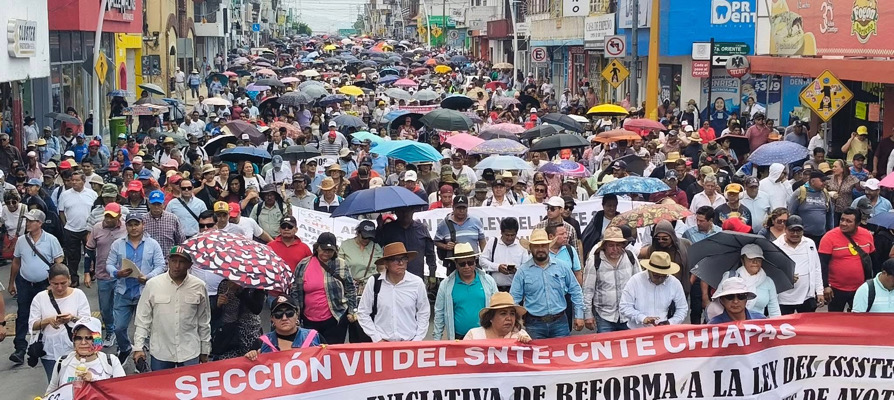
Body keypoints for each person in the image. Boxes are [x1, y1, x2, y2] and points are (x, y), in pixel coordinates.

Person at [133, 245, 210, 370]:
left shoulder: (199, 286)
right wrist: (138, 347)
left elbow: (204, 321)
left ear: (189, 265)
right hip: (161, 352)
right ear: (168, 261)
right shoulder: (153, 284)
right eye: (173, 261)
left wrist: (205, 349)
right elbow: (143, 318)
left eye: (181, 262)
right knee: (160, 388)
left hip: (190, 352)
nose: (177, 266)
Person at [106, 213, 166, 364]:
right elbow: (109, 264)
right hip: (123, 291)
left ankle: (142, 355)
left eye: (136, 224)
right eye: (130, 224)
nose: (133, 228)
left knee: (144, 327)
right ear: (126, 226)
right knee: (119, 328)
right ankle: (125, 348)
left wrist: (149, 277)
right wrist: (117, 273)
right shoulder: (117, 244)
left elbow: (160, 265)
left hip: (144, 292)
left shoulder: (153, 244)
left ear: (143, 225)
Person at [8, 209, 64, 365]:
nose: (28, 223)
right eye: (27, 220)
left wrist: (53, 283)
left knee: (46, 314)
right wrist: (11, 282)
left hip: (44, 285)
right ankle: (20, 348)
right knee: (23, 314)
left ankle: (43, 345)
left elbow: (59, 260)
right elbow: (16, 262)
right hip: (25, 283)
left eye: (31, 221)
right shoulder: (21, 241)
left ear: (39, 223)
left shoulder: (51, 240)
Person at [509, 228, 583, 339]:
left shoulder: (562, 266)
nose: (540, 249)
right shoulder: (522, 271)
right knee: (536, 356)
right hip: (534, 324)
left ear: (548, 246)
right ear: (530, 248)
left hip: (560, 322)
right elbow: (514, 299)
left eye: (543, 245)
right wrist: (516, 322)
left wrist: (579, 315)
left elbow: (576, 291)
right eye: (536, 246)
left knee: (562, 355)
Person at [28, 263, 91, 379]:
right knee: (55, 384)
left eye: (63, 283)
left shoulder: (78, 295)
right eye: (55, 284)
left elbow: (87, 321)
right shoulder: (40, 298)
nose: (59, 288)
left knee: (77, 383)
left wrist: (72, 318)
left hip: (74, 349)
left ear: (69, 280)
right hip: (49, 351)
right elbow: (33, 325)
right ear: (49, 281)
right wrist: (47, 321)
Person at [291, 232, 357, 345]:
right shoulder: (303, 265)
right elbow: (296, 291)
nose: (327, 253)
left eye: (330, 250)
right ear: (317, 248)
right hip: (309, 319)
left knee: (333, 353)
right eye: (324, 249)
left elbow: (350, 289)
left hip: (336, 317)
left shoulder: (341, 264)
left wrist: (351, 311)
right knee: (312, 353)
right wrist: (296, 314)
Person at [356, 243, 430, 342]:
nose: (401, 263)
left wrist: (417, 339)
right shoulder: (374, 282)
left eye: (404, 258)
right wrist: (377, 338)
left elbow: (424, 312)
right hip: (382, 344)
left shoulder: (417, 282)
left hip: (409, 343)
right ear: (386, 264)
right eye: (395, 259)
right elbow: (363, 312)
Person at [433, 243, 498, 340]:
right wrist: (436, 340)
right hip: (458, 338)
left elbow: (497, 307)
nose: (467, 266)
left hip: (484, 336)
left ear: (475, 262)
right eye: (462, 264)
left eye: (470, 263)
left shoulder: (488, 281)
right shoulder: (445, 285)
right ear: (456, 265)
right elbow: (439, 314)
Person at [45, 316, 124, 394]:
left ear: (97, 340)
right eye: (78, 338)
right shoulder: (62, 362)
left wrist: (93, 381)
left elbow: (121, 393)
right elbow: (51, 392)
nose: (83, 342)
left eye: (89, 338)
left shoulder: (111, 362)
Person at [85, 204, 127, 348]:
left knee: (120, 306)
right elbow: (89, 251)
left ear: (119, 217)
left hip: (121, 274)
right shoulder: (97, 228)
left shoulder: (126, 228)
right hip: (103, 274)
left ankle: (120, 332)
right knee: (105, 308)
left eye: (112, 217)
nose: (108, 219)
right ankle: (110, 330)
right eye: (107, 216)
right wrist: (86, 273)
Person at [583, 227, 640, 333]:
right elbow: (587, 291)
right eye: (611, 245)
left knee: (630, 348)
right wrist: (588, 315)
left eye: (618, 245)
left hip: (628, 315)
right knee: (605, 347)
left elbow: (640, 286)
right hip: (604, 316)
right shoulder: (594, 261)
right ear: (604, 246)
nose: (615, 249)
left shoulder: (630, 257)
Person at [819, 208, 874, 312]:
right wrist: (825, 286)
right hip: (835, 289)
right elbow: (822, 264)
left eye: (848, 221)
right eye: (842, 219)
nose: (843, 223)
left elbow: (873, 260)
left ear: (857, 223)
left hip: (860, 288)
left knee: (860, 319)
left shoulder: (867, 235)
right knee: (835, 321)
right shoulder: (829, 237)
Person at [619, 252, 689, 329]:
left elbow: (682, 308)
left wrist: (670, 322)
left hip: (662, 331)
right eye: (656, 276)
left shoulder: (674, 283)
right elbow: (624, 306)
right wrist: (642, 318)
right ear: (649, 270)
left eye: (664, 276)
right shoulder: (635, 281)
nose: (660, 279)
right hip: (637, 331)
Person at [773, 215, 824, 314]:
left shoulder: (810, 244)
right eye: (792, 230)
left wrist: (820, 291)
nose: (795, 234)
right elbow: (772, 271)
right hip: (783, 299)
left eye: (799, 231)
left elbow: (816, 268)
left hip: (806, 297)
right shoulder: (776, 246)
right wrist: (786, 277)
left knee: (808, 327)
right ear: (785, 229)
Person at [244, 296, 321, 360]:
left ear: (297, 314)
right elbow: (249, 371)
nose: (284, 318)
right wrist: (250, 357)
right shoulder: (262, 343)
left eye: (289, 313)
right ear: (272, 318)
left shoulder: (315, 337)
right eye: (279, 314)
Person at [57, 172, 98, 287]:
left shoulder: (92, 194)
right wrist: (66, 225)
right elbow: (61, 212)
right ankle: (74, 277)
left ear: (83, 181)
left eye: (77, 180)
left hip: (87, 229)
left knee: (90, 253)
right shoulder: (65, 195)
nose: (74, 182)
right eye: (72, 180)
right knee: (72, 256)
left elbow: (96, 210)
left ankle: (91, 272)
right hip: (71, 229)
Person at [211, 279, 265, 360]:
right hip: (227, 332)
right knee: (223, 361)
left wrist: (241, 291)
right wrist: (217, 304)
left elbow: (257, 309)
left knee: (250, 360)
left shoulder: (256, 286)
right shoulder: (225, 285)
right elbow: (216, 315)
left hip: (249, 332)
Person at [435, 195, 487, 275]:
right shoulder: (443, 225)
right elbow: (436, 242)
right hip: (453, 264)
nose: (461, 211)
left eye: (464, 208)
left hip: (473, 263)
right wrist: (445, 246)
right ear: (453, 208)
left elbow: (482, 241)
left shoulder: (476, 221)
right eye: (459, 208)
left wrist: (484, 258)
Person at [479, 217, 527, 292]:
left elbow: (525, 268)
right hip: (494, 288)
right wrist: (497, 267)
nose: (510, 238)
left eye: (512, 235)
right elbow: (482, 261)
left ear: (516, 233)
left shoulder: (521, 246)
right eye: (507, 235)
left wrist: (516, 270)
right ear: (501, 232)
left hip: (515, 289)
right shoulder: (493, 242)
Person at [789, 171, 835, 246]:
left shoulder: (825, 193)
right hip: (803, 236)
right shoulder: (800, 193)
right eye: (822, 181)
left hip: (821, 236)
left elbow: (830, 215)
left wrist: (831, 232)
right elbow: (791, 213)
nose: (824, 183)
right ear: (812, 181)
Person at [462, 292, 531, 342]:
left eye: (512, 314)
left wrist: (527, 345)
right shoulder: (474, 335)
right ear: (490, 317)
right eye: (503, 313)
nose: (509, 318)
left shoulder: (521, 335)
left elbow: (529, 360)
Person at [338, 220, 383, 296]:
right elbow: (339, 266)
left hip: (371, 287)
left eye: (370, 238)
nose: (367, 240)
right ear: (358, 233)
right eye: (364, 237)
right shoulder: (346, 245)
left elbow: (381, 268)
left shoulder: (376, 247)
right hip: (349, 287)